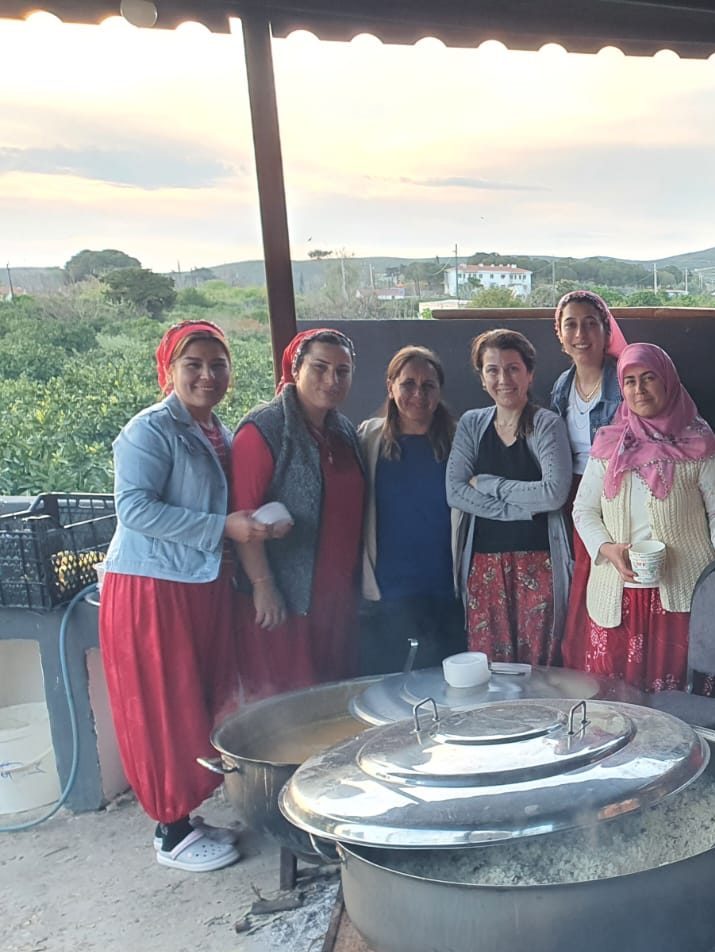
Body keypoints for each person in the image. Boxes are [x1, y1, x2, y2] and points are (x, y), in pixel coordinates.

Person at [100, 322, 274, 871]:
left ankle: (184, 816)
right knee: (163, 704)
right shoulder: (149, 430)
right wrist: (223, 527)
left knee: (195, 697)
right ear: (169, 371)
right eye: (193, 365)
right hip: (152, 587)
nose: (207, 375)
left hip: (197, 583)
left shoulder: (216, 429)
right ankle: (169, 831)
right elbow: (134, 509)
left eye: (217, 365)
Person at [570, 343, 715, 692]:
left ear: (667, 381)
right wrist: (606, 549)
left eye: (648, 378)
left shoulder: (700, 443)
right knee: (615, 705)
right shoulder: (609, 444)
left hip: (680, 596)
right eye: (630, 381)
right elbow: (583, 509)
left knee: (677, 702)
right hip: (617, 596)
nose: (639, 389)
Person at [233, 328, 366, 698]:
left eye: (342, 371)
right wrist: (263, 585)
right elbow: (243, 518)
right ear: (295, 369)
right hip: (286, 600)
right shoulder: (264, 430)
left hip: (336, 597)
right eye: (320, 367)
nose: (332, 380)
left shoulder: (343, 430)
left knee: (334, 698)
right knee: (290, 705)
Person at [446, 328, 573, 666]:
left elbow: (553, 494)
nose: (503, 379)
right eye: (493, 370)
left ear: (529, 374)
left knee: (539, 669)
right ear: (482, 377)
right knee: (490, 668)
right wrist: (521, 509)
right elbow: (455, 491)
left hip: (540, 566)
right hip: (483, 568)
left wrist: (489, 484)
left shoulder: (547, 425)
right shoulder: (472, 424)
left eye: (513, 368)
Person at [356, 345, 464, 675]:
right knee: (393, 686)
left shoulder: (461, 440)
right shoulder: (367, 439)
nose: (418, 394)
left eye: (428, 385)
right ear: (390, 386)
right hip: (390, 590)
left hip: (447, 587)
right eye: (408, 384)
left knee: (447, 685)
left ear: (439, 390)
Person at [548, 290, 628, 667]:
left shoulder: (624, 381)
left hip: (614, 495)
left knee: (607, 572)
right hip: (572, 495)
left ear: (606, 331)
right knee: (578, 576)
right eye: (571, 325)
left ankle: (611, 661)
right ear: (560, 334)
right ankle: (581, 664)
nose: (580, 334)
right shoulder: (561, 387)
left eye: (590, 324)